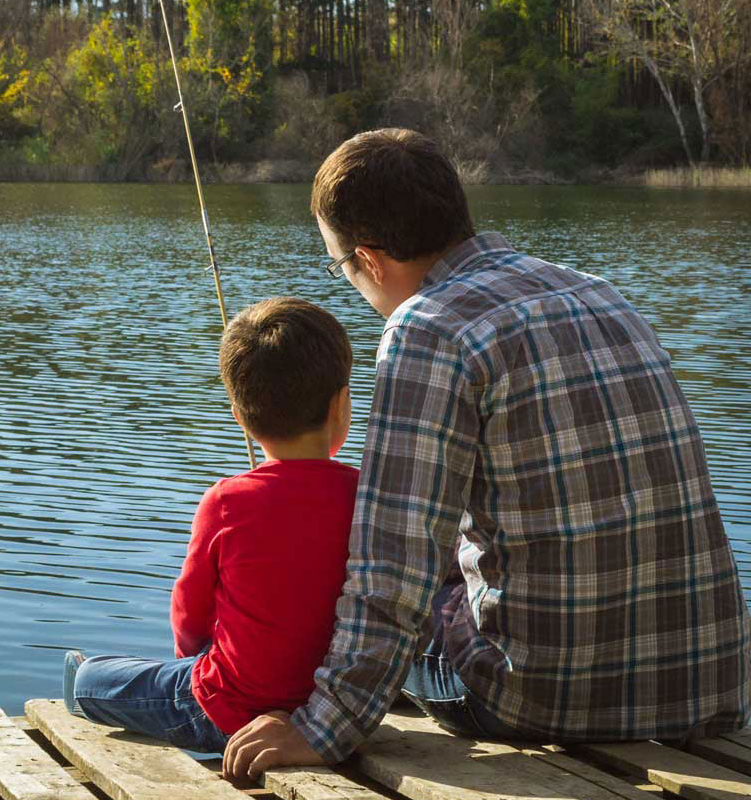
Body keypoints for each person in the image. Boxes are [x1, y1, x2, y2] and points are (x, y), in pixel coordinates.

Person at [221, 128, 751, 778]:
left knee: (327, 607)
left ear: (370, 259)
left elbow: (392, 571)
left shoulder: (426, 330)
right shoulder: (598, 293)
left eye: (341, 267)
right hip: (705, 685)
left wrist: (323, 726)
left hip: (536, 693)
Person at [63, 297, 359, 752]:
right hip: (329, 709)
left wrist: (197, 660)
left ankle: (81, 676)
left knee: (92, 679)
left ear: (240, 417)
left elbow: (189, 613)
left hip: (227, 713)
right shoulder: (367, 495)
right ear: (341, 405)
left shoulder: (226, 501)